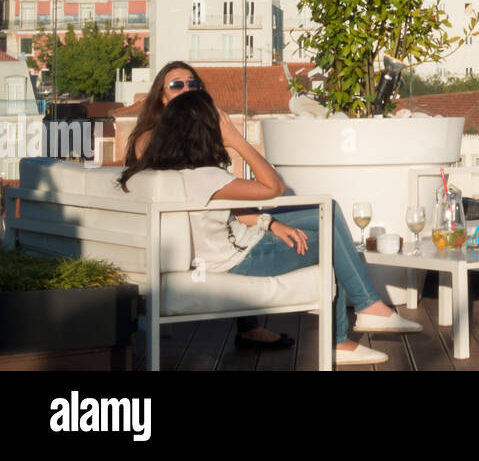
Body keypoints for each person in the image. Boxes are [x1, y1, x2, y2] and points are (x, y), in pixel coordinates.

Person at [119, 88, 420, 366]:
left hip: (231, 246)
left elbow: (228, 211)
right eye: (217, 117)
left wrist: (271, 223)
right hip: (242, 258)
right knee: (329, 238)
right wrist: (236, 140)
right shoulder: (204, 176)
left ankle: (365, 312)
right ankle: (347, 331)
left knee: (326, 211)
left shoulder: (160, 172)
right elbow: (273, 187)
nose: (221, 121)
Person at [124, 63, 290, 352]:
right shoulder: (153, 140)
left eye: (193, 84)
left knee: (266, 222)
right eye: (177, 85)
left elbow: (215, 196)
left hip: (209, 230)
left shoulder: (194, 137)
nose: (187, 89)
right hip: (196, 246)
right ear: (162, 98)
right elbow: (205, 189)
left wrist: (267, 222)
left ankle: (250, 328)